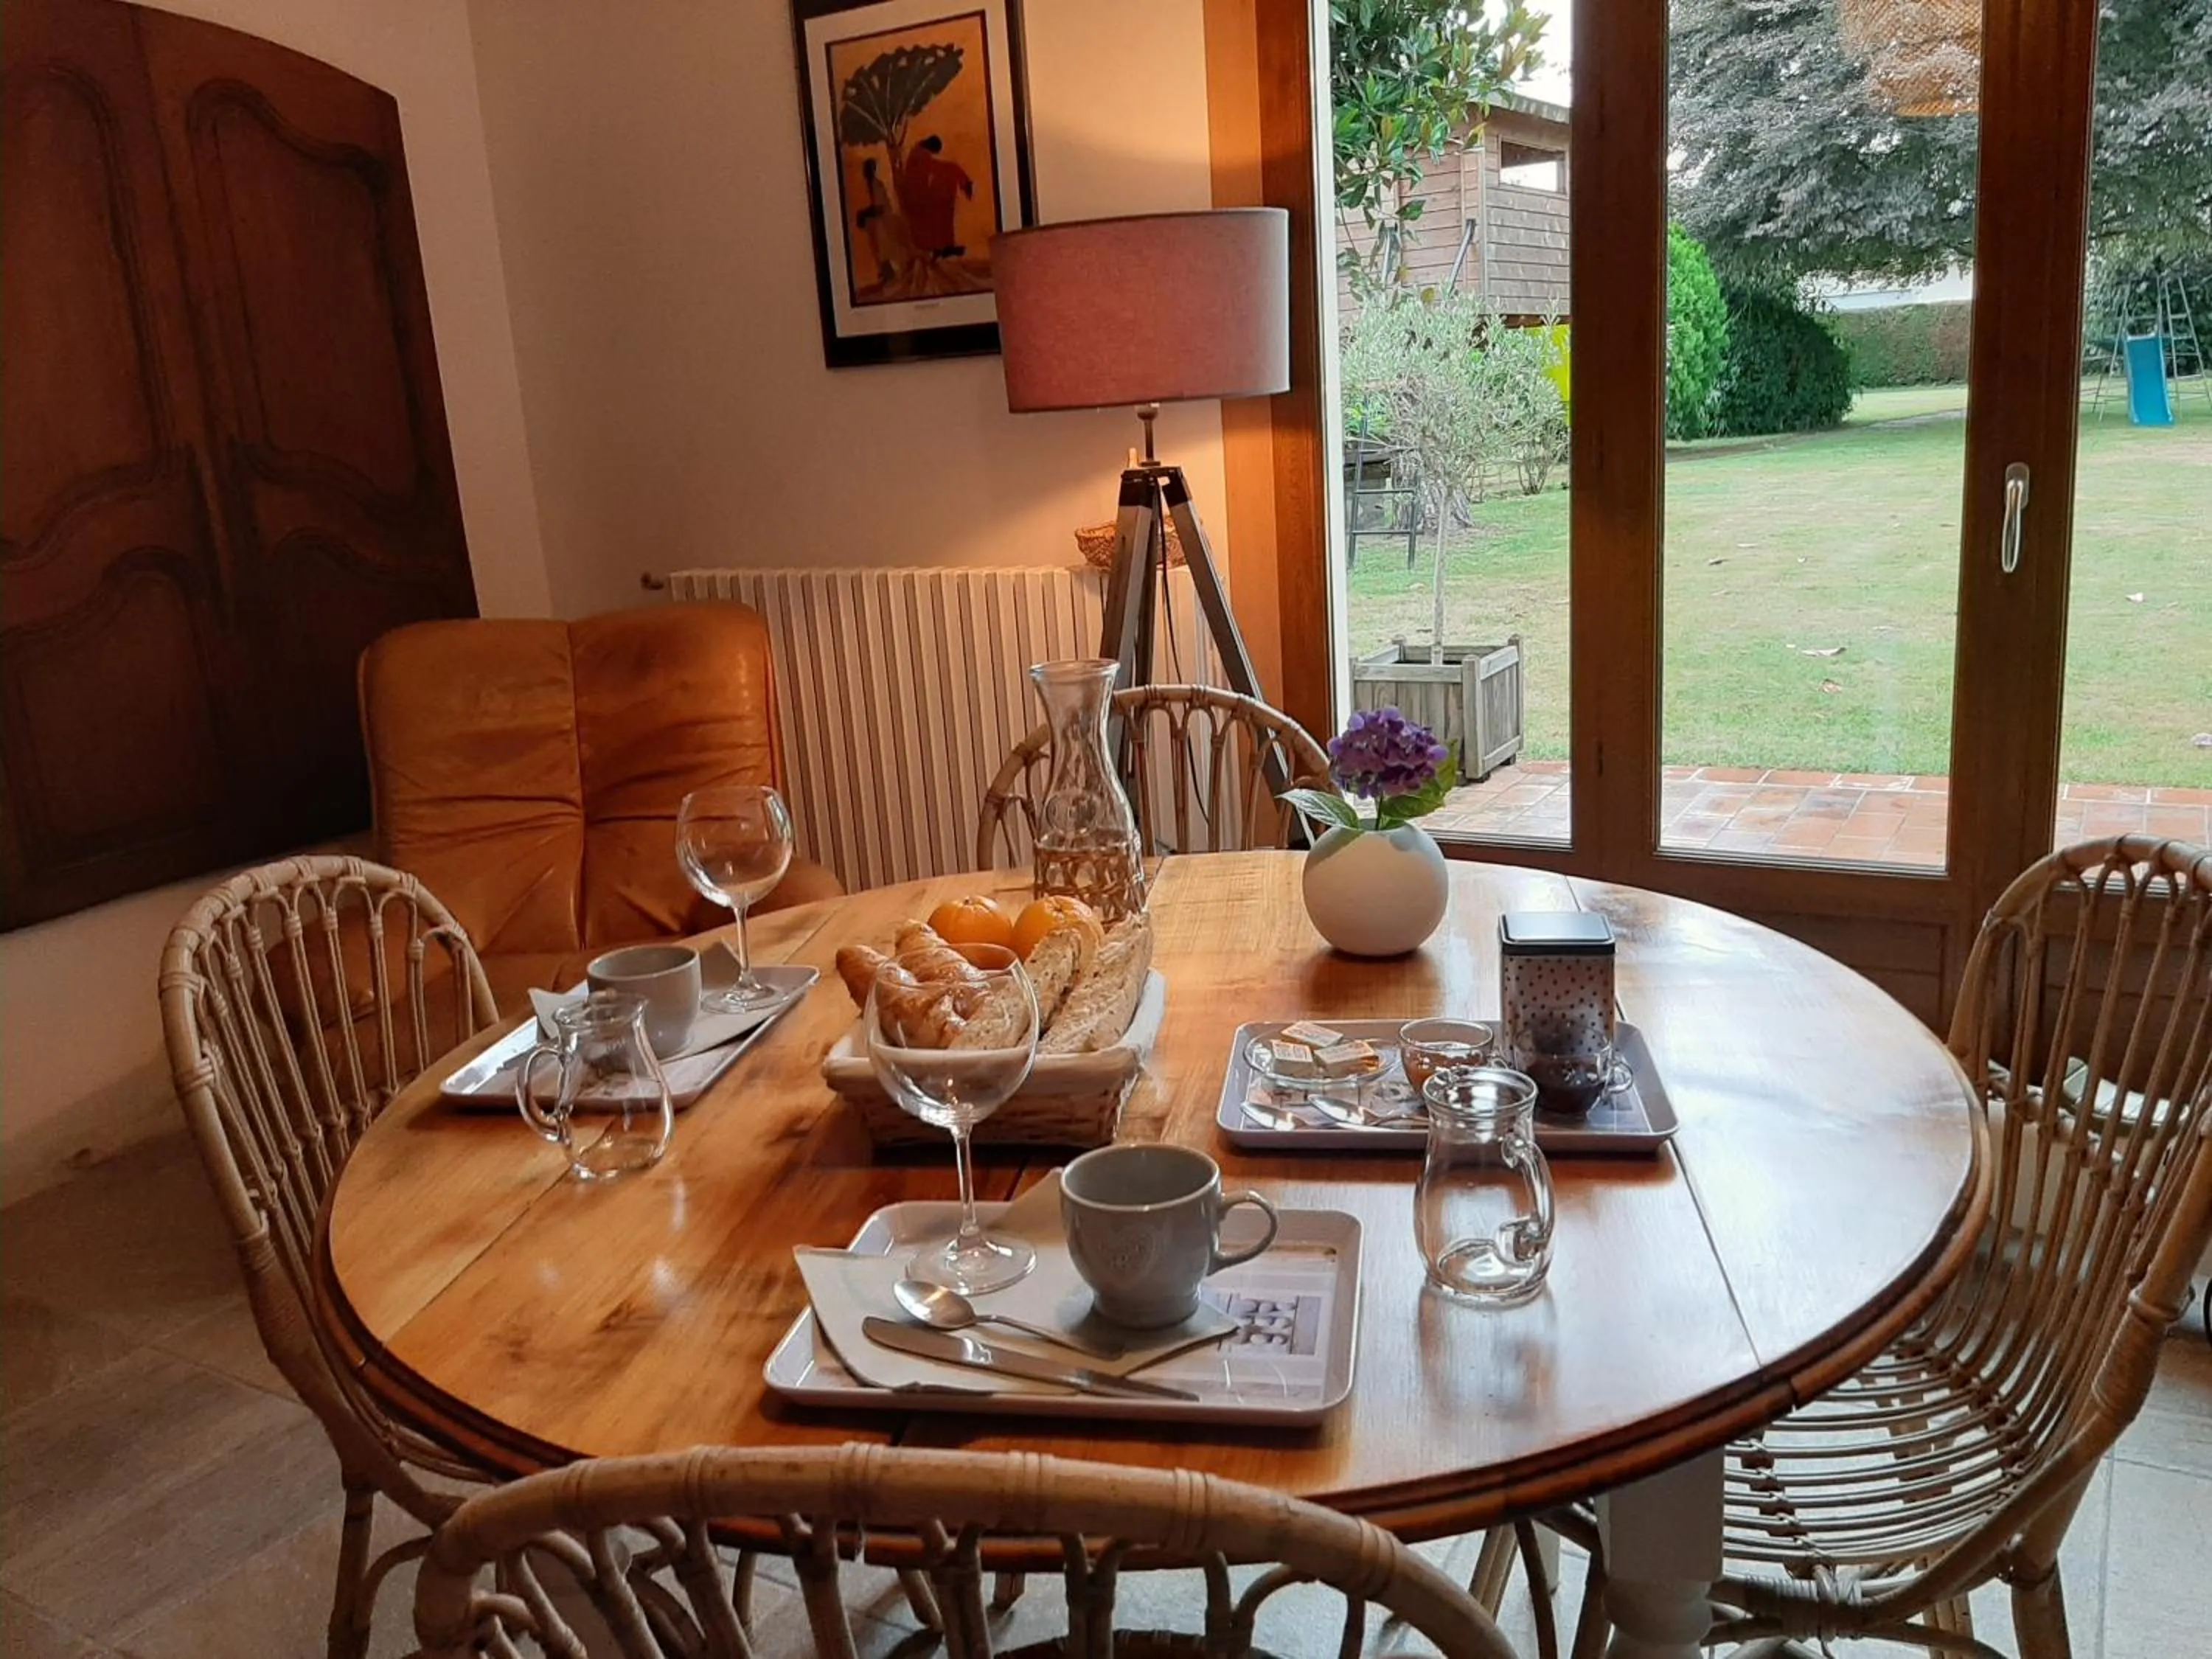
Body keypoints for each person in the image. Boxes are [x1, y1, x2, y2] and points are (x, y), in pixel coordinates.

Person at [900, 135, 975, 260]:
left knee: (944, 208)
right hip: (920, 200)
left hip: (925, 197)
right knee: (940, 212)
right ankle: (939, 247)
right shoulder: (918, 156)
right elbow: (929, 169)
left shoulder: (919, 153)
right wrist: (953, 169)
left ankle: (944, 246)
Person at [854, 156, 912, 291]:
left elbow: (882, 207)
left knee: (884, 251)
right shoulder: (865, 186)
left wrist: (865, 213)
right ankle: (886, 276)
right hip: (873, 225)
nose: (866, 171)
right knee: (878, 252)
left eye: (868, 169)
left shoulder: (877, 185)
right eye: (866, 169)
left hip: (881, 224)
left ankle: (891, 276)